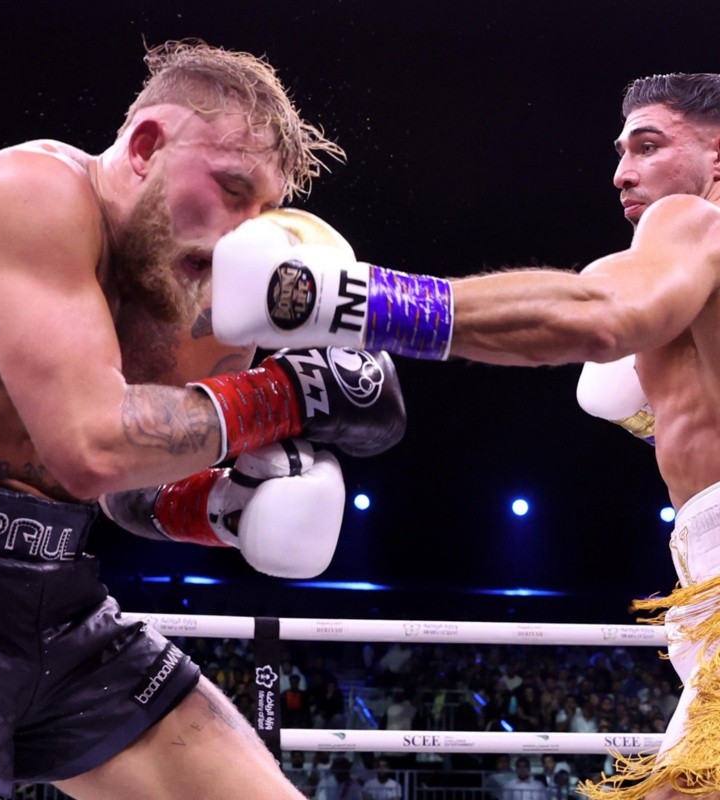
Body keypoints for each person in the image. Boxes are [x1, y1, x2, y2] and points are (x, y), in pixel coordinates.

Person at [0, 38, 407, 800]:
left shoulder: (207, 300)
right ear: (146, 146)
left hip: (56, 594)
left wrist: (219, 509)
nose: (244, 232)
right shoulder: (32, 193)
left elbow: (119, 488)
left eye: (264, 209)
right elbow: (89, 446)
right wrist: (290, 394)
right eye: (230, 188)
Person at [211, 71, 720, 798]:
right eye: (620, 150)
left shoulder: (693, 223)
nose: (621, 173)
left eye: (648, 145)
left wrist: (355, 301)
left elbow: (600, 313)